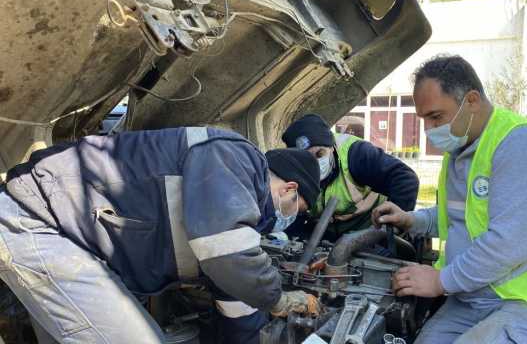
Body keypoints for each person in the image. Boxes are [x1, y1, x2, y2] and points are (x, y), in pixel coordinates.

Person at [0, 126, 321, 344]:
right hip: (37, 219)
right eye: (298, 207)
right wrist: (278, 299)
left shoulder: (239, 220)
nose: (291, 219)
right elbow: (229, 254)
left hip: (71, 236)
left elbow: (236, 299)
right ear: (290, 188)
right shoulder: (236, 157)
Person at [372, 55, 527, 344]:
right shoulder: (462, 152)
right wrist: (413, 220)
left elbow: (508, 243)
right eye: (423, 119)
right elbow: (462, 218)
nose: (428, 130)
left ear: (472, 101)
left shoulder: (523, 144)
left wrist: (440, 281)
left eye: (436, 117)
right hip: (480, 296)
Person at [281, 114, 419, 239]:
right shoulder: (292, 174)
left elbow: (405, 180)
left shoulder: (357, 154)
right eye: (306, 159)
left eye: (319, 154)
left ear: (331, 147)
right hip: (326, 232)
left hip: (370, 227)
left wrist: (389, 229)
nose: (315, 164)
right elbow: (292, 215)